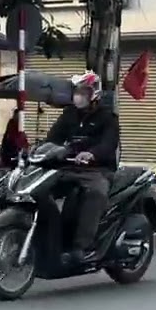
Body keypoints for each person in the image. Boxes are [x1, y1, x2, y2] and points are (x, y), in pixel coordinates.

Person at [45, 71, 119, 265]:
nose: (79, 96)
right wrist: (43, 150)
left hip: (97, 169)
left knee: (96, 192)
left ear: (94, 93)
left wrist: (92, 154)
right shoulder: (69, 114)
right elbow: (52, 138)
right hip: (67, 167)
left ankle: (82, 246)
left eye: (83, 92)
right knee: (41, 188)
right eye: (77, 91)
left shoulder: (107, 117)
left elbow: (109, 144)